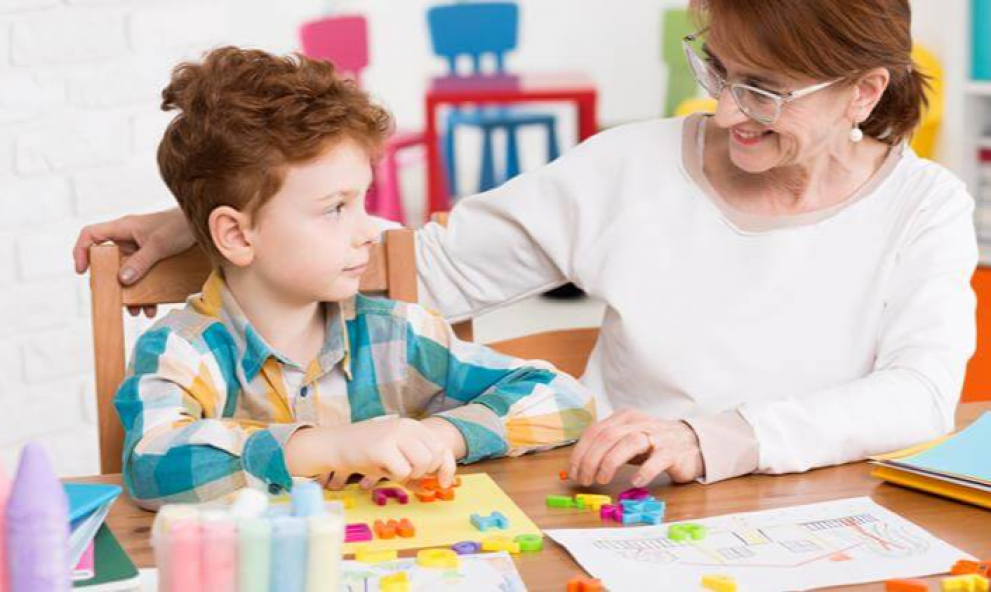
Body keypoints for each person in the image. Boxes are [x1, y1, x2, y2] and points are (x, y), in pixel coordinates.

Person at [76, 0, 976, 491]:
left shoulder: (925, 205)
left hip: (827, 508)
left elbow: (920, 395)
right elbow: (412, 269)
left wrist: (714, 439)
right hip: (625, 515)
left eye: (767, 92)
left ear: (863, 91)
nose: (728, 109)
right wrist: (207, 222)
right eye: (719, 70)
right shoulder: (629, 167)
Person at [114, 47, 595, 508]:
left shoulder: (400, 335)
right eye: (335, 208)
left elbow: (564, 398)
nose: (369, 231)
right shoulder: (182, 351)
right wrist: (325, 448)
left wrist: (440, 434)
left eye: (363, 200)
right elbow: (150, 463)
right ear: (237, 236)